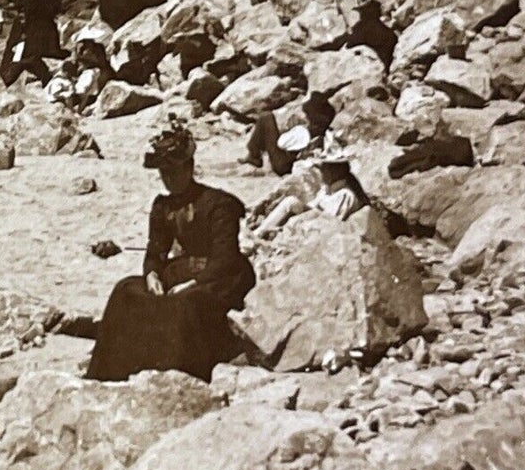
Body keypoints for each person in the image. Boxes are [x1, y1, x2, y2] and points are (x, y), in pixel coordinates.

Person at [87, 119, 255, 384]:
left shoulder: (218, 205)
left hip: (221, 277)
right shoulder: (163, 207)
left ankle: (178, 374)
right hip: (180, 272)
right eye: (164, 174)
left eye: (175, 172)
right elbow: (155, 251)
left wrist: (192, 282)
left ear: (190, 169)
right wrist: (152, 274)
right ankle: (108, 373)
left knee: (184, 304)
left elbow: (226, 258)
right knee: (126, 291)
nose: (169, 180)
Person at [255, 146, 369, 238]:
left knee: (291, 203)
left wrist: (303, 213)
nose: (322, 172)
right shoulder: (328, 189)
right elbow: (313, 205)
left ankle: (259, 234)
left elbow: (332, 221)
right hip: (315, 219)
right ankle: (263, 230)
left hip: (322, 227)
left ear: (335, 171)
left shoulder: (345, 194)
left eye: (324, 168)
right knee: (291, 203)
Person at [0, 0, 62, 87]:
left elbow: (25, 19)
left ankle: (8, 76)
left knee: (20, 57)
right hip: (47, 34)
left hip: (31, 35)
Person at [245, 90, 336, 176]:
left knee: (267, 117)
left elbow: (281, 143)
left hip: (282, 164)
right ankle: (254, 153)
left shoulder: (303, 131)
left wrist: (288, 131)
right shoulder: (324, 131)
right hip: (293, 163)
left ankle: (254, 155)